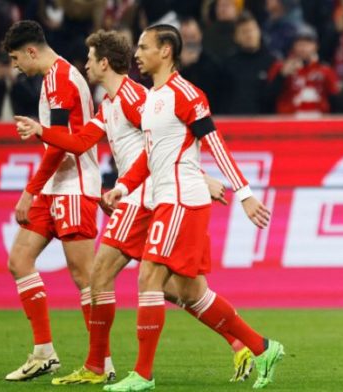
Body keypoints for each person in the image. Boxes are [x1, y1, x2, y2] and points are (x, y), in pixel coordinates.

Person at [14, 29, 255, 385]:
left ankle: (102, 366)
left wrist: (199, 178)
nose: (86, 65)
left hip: (147, 197)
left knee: (101, 275)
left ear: (104, 62)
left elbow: (169, 141)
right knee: (179, 290)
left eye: (90, 58)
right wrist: (42, 131)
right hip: (136, 193)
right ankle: (243, 343)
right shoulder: (109, 105)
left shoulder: (134, 97)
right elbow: (79, 143)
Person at [101, 24, 284, 391]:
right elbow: (150, 157)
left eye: (143, 46)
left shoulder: (187, 94)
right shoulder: (152, 98)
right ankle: (262, 347)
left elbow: (215, 144)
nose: (136, 54)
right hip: (168, 199)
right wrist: (122, 186)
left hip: (182, 200)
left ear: (165, 50)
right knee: (191, 293)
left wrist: (244, 193)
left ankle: (142, 375)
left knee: (149, 276)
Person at [1, 20, 103, 382]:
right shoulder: (55, 78)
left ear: (32, 51)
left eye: (16, 58)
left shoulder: (60, 78)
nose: (15, 66)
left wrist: (30, 190)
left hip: (73, 185)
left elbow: (61, 145)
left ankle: (100, 363)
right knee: (20, 260)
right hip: (55, 187)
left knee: (85, 277)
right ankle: (44, 352)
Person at [267, 25, 340, 116]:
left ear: (316, 46)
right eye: (299, 43)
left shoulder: (326, 71)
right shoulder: (280, 67)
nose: (303, 48)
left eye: (308, 43)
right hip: (288, 125)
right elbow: (267, 99)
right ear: (293, 46)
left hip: (319, 124)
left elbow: (336, 103)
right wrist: (281, 76)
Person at [218, 11, 277, 114]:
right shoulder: (228, 64)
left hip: (265, 123)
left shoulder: (271, 62)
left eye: (252, 30)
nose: (249, 35)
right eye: (244, 31)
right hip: (235, 122)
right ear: (236, 37)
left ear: (259, 32)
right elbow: (223, 99)